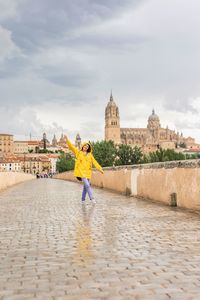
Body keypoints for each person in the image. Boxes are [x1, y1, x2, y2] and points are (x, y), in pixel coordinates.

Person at [66, 137, 103, 204]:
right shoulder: (78, 152)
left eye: (87, 146)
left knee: (85, 187)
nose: (86, 147)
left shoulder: (90, 155)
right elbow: (72, 147)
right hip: (81, 172)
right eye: (85, 146)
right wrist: (67, 140)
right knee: (87, 185)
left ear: (88, 148)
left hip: (88, 173)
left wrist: (100, 169)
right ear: (82, 146)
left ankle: (83, 200)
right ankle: (92, 198)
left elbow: (95, 162)